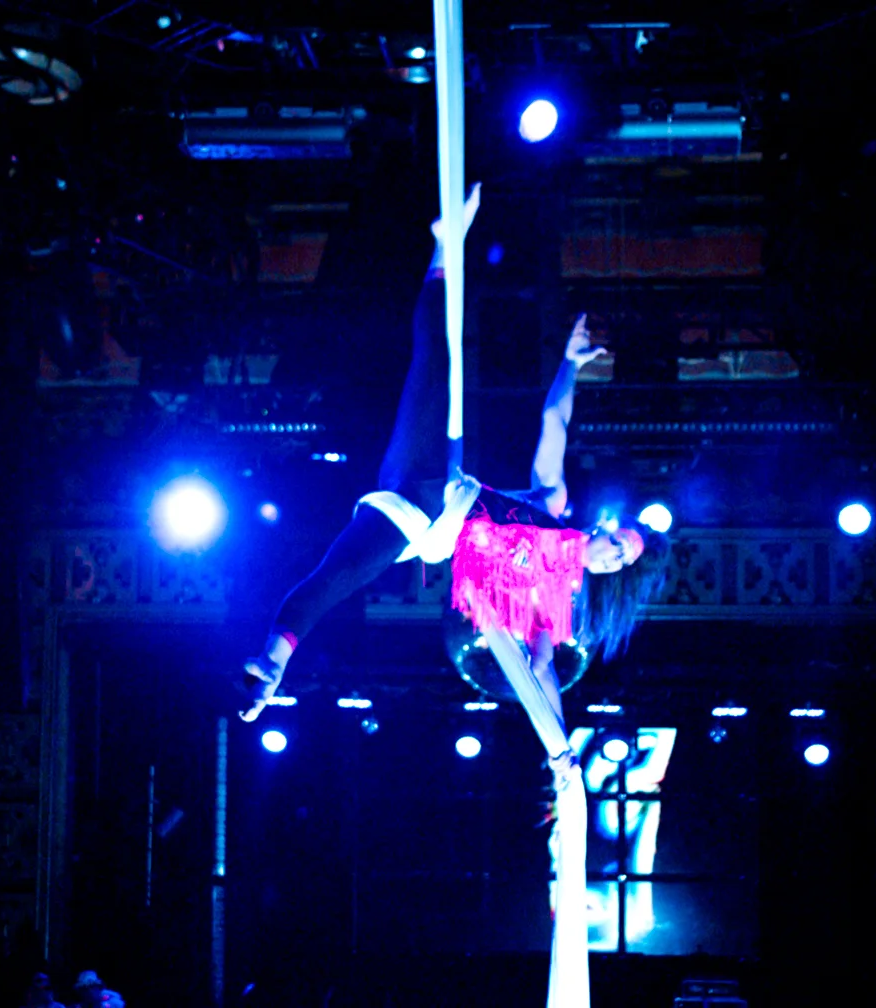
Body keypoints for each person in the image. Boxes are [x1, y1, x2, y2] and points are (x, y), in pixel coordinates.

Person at [240, 184, 669, 727]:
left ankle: (270, 665)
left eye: (620, 561)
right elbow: (554, 422)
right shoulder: (552, 503)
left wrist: (562, 756)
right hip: (435, 483)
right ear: (605, 527)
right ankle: (446, 245)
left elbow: (541, 669)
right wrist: (570, 365)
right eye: (618, 542)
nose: (612, 556)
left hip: (420, 527)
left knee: (335, 579)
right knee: (435, 366)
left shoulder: (552, 601)